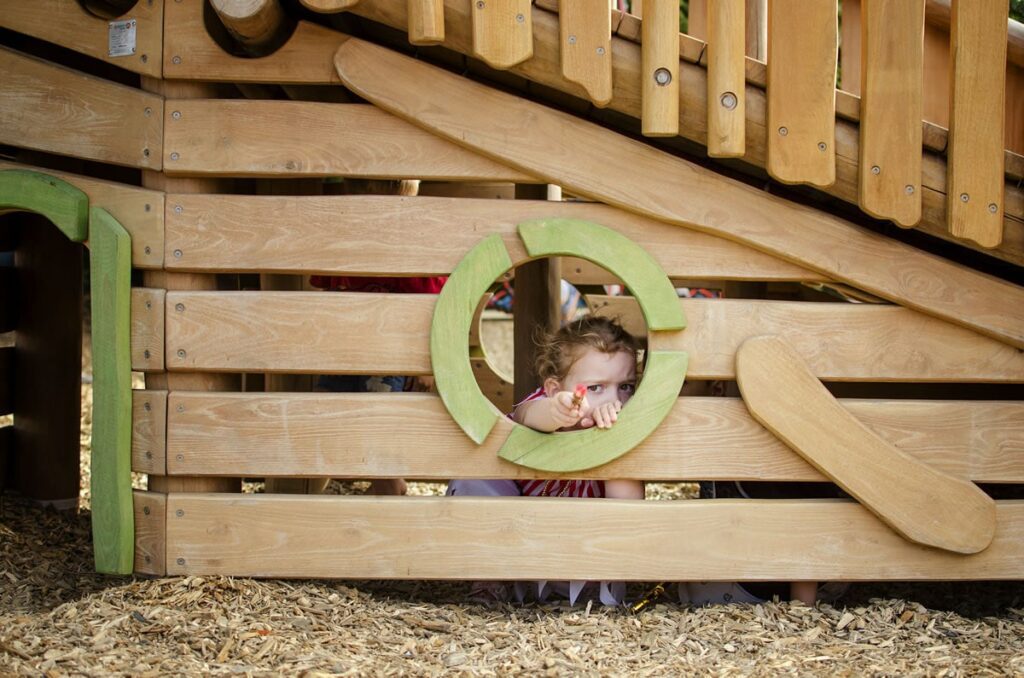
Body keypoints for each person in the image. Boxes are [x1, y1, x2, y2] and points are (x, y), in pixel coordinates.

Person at [448, 315, 644, 605]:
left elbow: (627, 510)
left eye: (625, 386)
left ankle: (592, 594)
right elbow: (527, 415)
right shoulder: (548, 401)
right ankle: (490, 581)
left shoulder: (633, 422)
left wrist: (617, 442)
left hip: (584, 558)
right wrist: (556, 413)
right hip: (517, 550)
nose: (614, 400)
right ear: (555, 388)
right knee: (475, 473)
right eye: (595, 388)